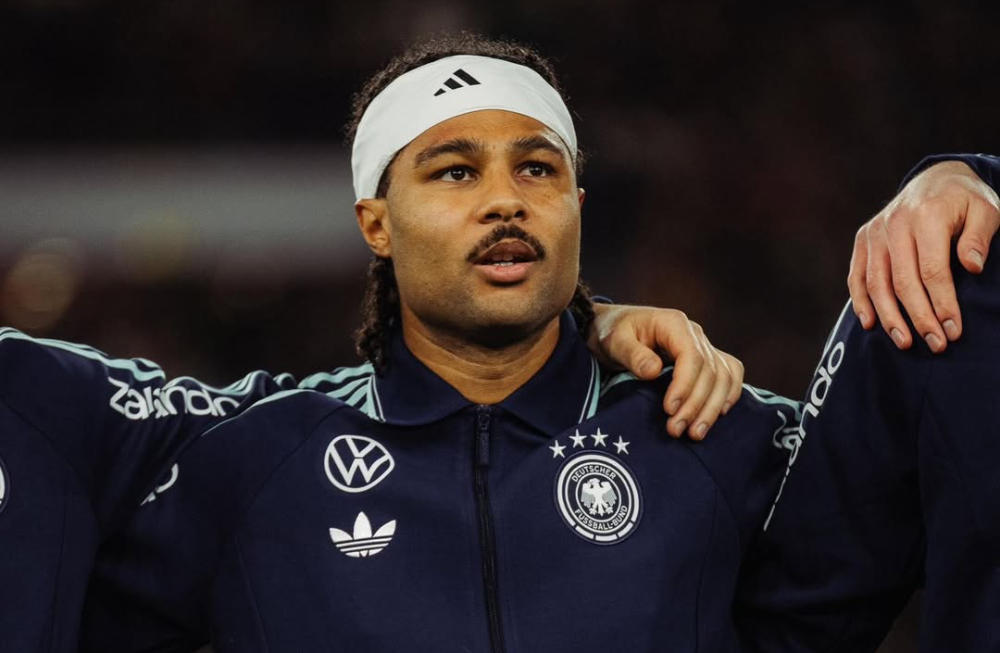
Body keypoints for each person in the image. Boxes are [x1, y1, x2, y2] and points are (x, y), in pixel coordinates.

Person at [78, 33, 1000, 651]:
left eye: (537, 169)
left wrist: (959, 176)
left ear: (577, 207)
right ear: (376, 223)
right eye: (454, 171)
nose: (505, 200)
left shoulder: (712, 428)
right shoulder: (256, 458)